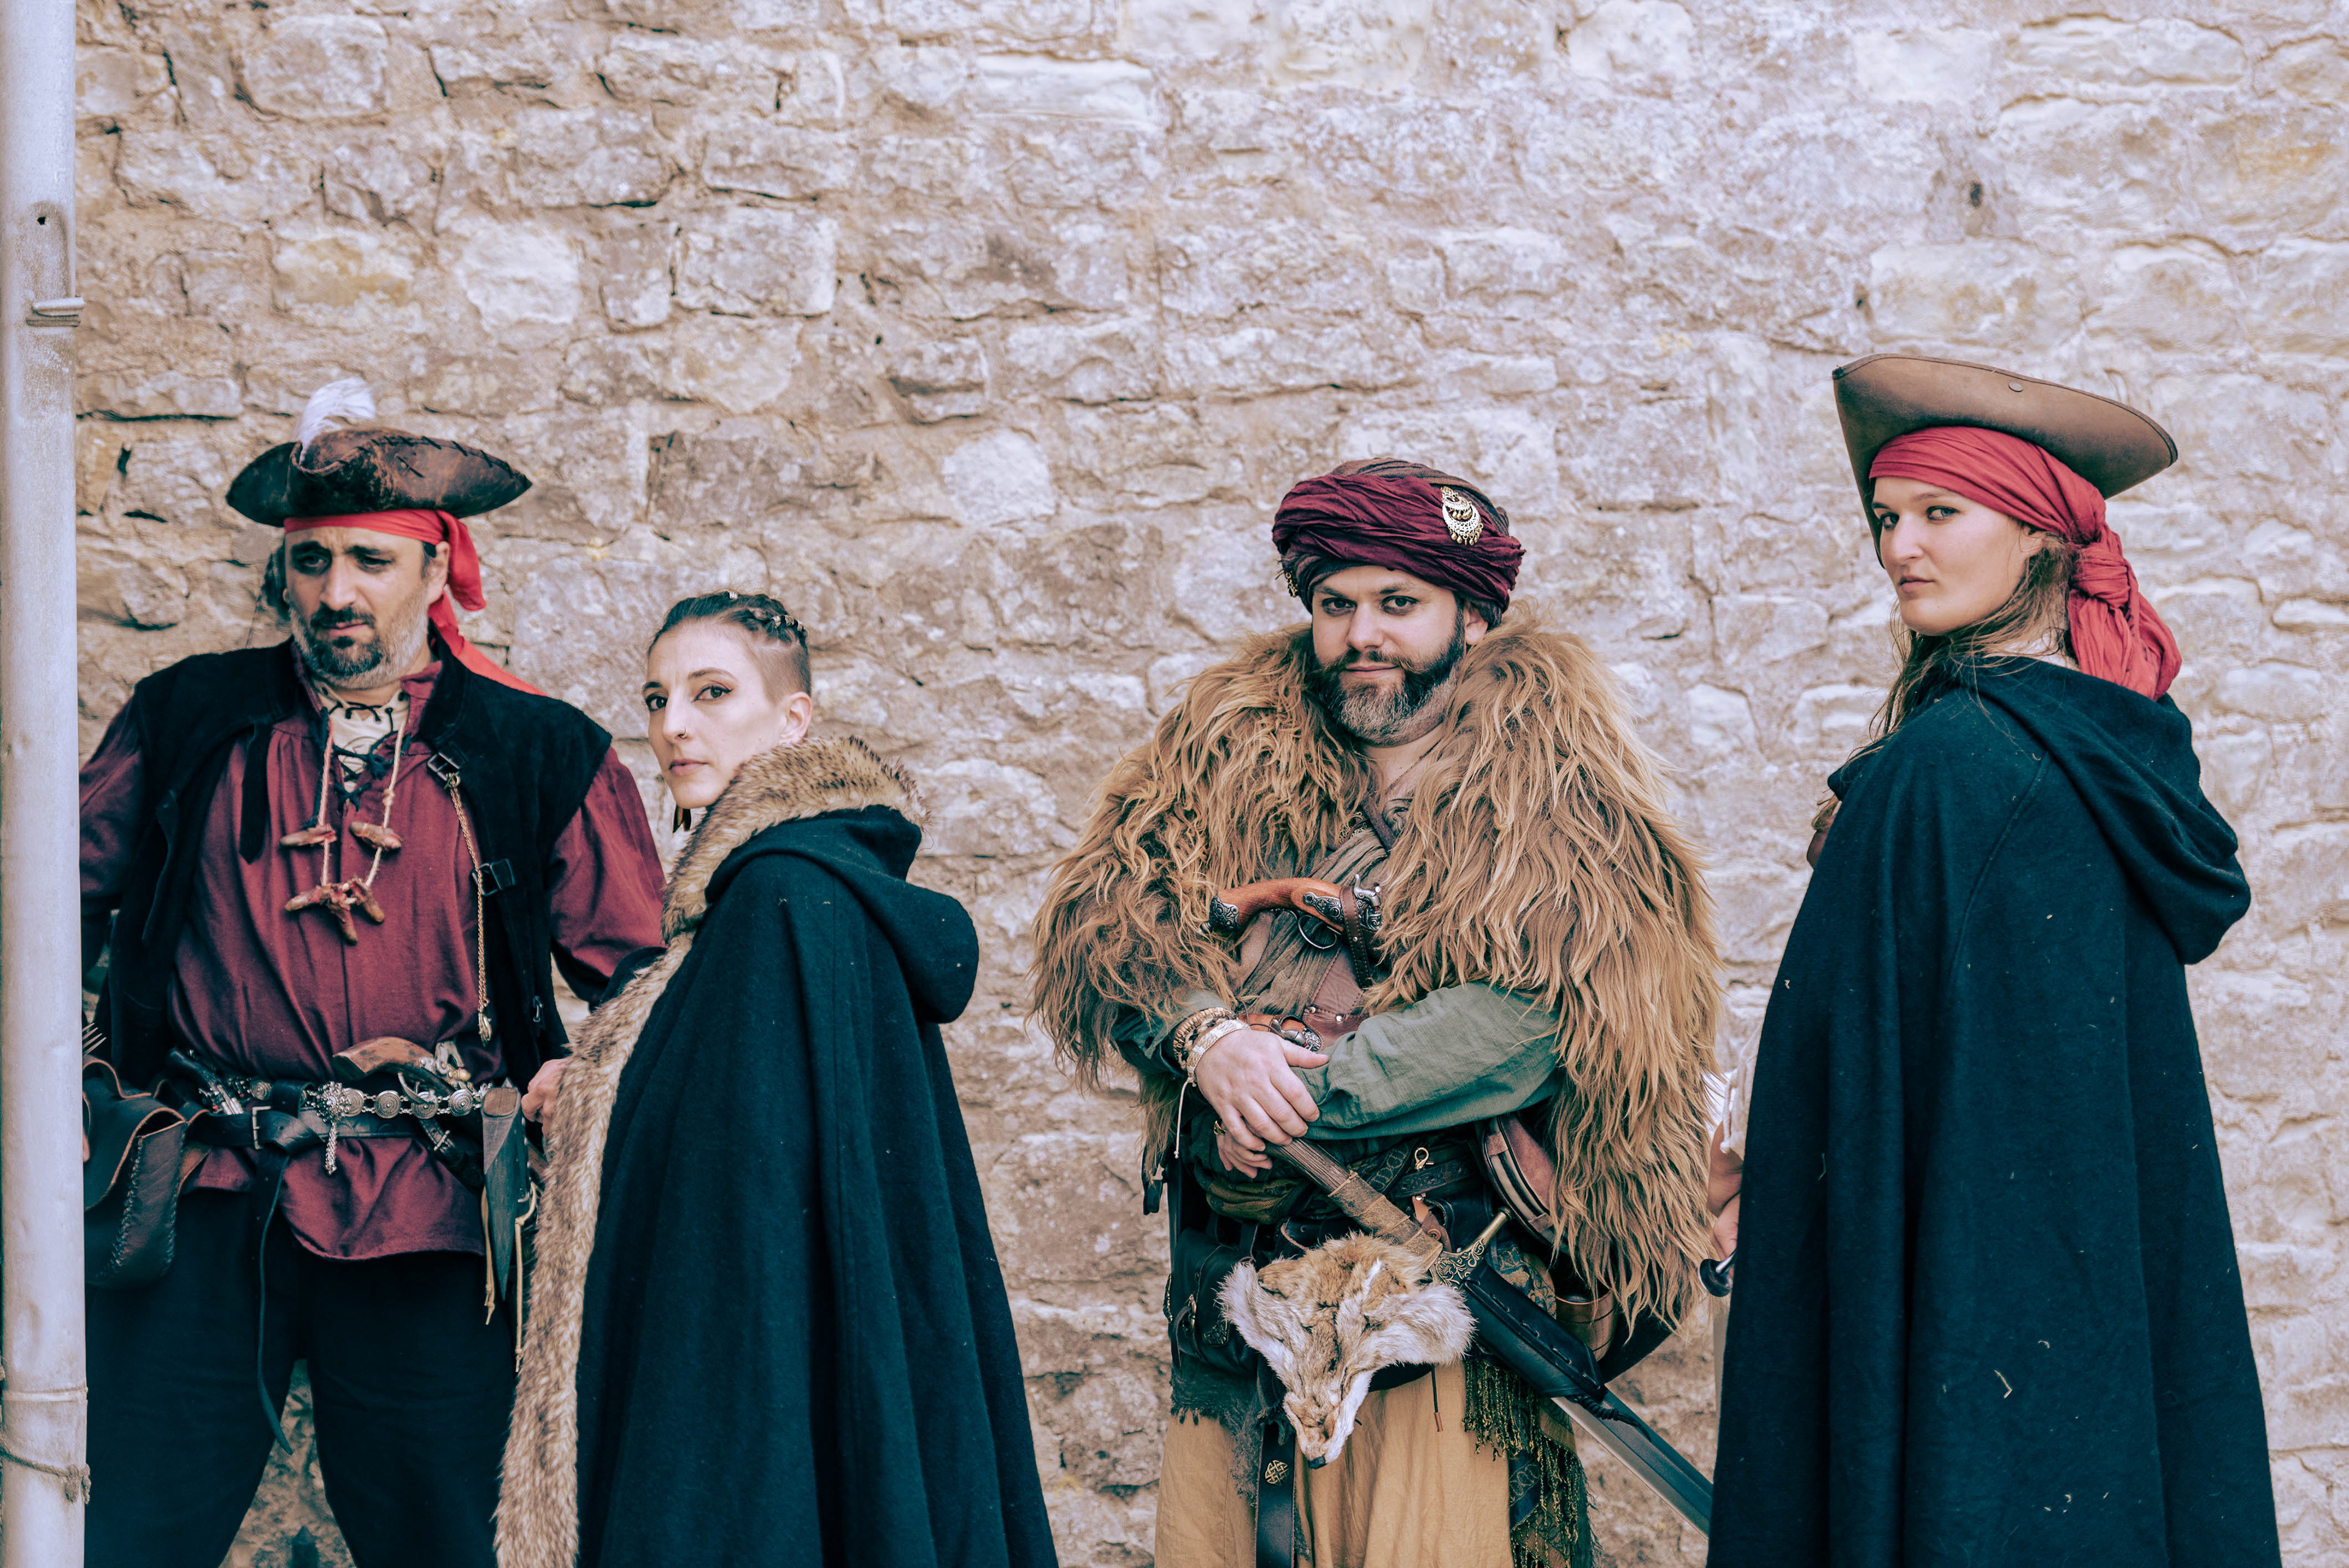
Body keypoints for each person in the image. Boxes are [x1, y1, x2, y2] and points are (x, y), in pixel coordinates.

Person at [1030, 460, 1721, 1568]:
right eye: (1336, 604)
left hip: (1434, 1313)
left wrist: (1294, 1086)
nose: (1362, 635)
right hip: (1239, 1298)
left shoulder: (1558, 795)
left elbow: (1546, 1012)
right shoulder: (1220, 755)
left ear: (1472, 616)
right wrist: (1208, 1040)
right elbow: (1113, 926)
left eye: (1399, 604)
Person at [78, 380, 667, 1568]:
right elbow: (43, 907)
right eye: (312, 561)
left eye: (370, 560)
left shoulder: (539, 749)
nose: (337, 592)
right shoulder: (185, 717)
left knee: (451, 1539)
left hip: (435, 1213)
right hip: (202, 1195)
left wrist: (588, 1097)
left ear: (437, 569)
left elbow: (640, 985)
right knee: (127, 1529)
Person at [1707, 355, 2280, 1566]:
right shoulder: (2093, 753)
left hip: (1973, 1297)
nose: (1901, 548)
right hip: (2064, 1298)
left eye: (1939, 513)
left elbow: (1881, 1069)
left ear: (2037, 536)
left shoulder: (1955, 767)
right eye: (1886, 519)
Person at [498, 592, 1057, 1568]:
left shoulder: (779, 894)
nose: (675, 725)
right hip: (765, 1330)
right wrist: (588, 1082)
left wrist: (588, 1096)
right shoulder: (776, 888)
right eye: (658, 698)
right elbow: (724, 1118)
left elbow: (738, 1184)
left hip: (746, 1356)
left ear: (794, 719)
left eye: (712, 693)